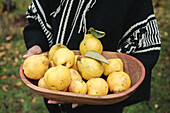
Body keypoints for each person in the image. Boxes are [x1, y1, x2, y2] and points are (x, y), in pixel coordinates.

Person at [23, 0, 161, 113]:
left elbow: (145, 43)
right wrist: (37, 44)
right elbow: (38, 17)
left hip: (103, 101)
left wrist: (96, 96)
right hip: (54, 88)